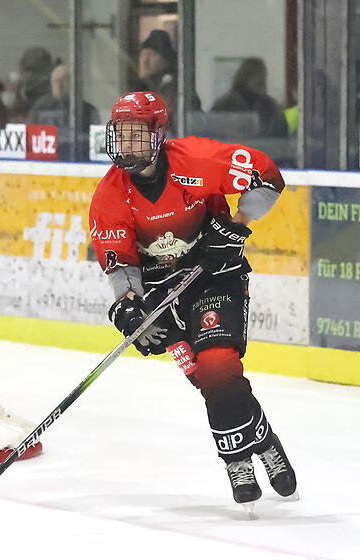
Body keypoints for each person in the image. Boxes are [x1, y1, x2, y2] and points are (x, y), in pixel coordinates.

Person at [88, 91, 298, 508]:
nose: (126, 146)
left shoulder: (198, 160)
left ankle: (235, 457)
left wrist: (235, 226)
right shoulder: (110, 195)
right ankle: (262, 436)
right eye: (120, 136)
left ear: (158, 134)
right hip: (165, 295)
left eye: (136, 135)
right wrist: (129, 308)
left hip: (214, 276)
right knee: (209, 382)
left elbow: (268, 176)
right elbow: (121, 269)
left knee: (218, 367)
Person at [134, 29, 201, 125]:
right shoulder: (139, 89)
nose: (145, 61)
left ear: (165, 60)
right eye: (143, 55)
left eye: (151, 55)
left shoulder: (176, 89)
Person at [211, 58, 289, 138]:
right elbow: (213, 129)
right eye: (256, 75)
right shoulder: (225, 104)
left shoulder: (270, 106)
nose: (261, 79)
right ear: (245, 76)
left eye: (263, 75)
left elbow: (280, 131)